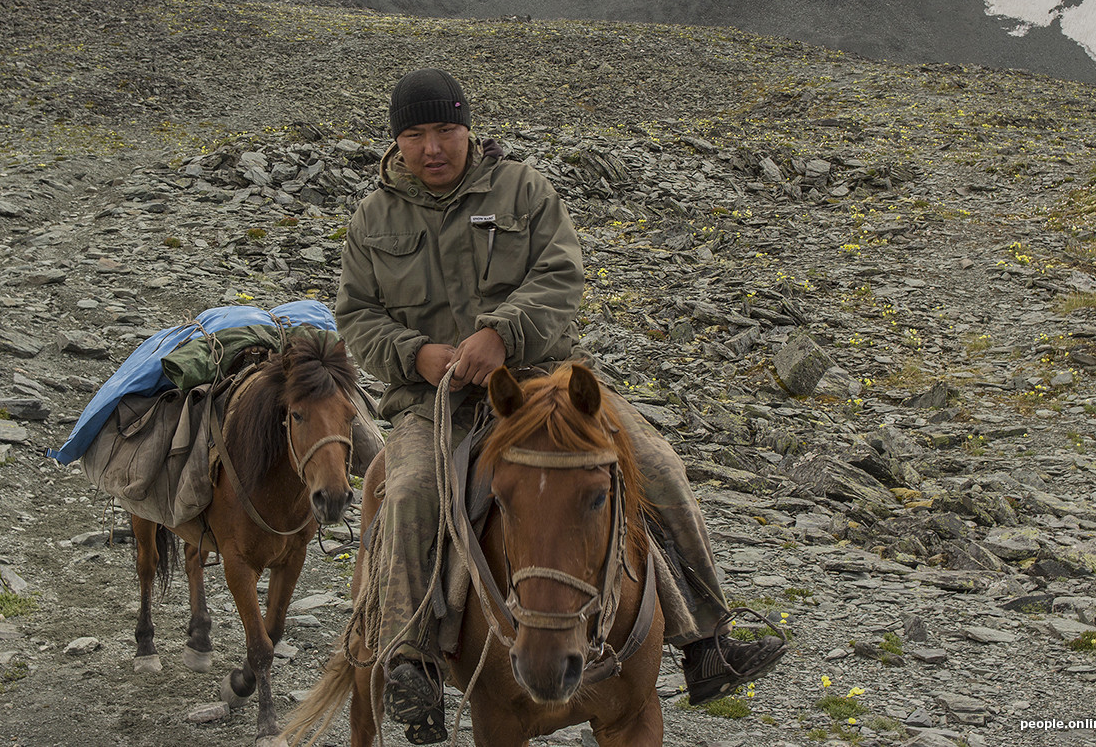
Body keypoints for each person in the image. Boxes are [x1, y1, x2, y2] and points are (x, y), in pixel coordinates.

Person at [336, 68, 785, 744]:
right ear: (397, 140)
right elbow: (356, 315)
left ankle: (707, 639)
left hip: (544, 381)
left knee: (659, 461)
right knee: (406, 492)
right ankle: (412, 659)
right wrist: (416, 353)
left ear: (468, 128)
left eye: (445, 130)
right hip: (439, 404)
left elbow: (561, 272)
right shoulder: (373, 218)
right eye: (416, 133)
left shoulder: (522, 189)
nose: (433, 146)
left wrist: (502, 332)